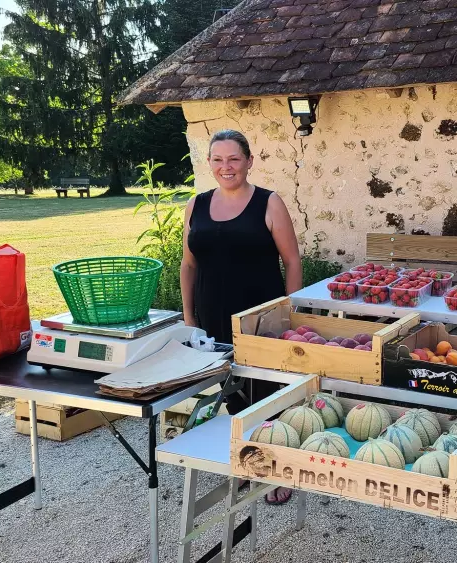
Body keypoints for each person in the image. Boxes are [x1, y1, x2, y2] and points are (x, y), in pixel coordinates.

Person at [182, 129, 302, 504]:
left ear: (249, 161)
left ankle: (281, 468)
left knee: (269, 393)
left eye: (233, 159)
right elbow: (188, 264)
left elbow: (292, 261)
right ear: (209, 164)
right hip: (213, 318)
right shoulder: (196, 205)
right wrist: (189, 317)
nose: (226, 167)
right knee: (233, 391)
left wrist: (288, 312)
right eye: (218, 160)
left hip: (259, 321)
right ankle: (257, 460)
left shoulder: (269, 203)